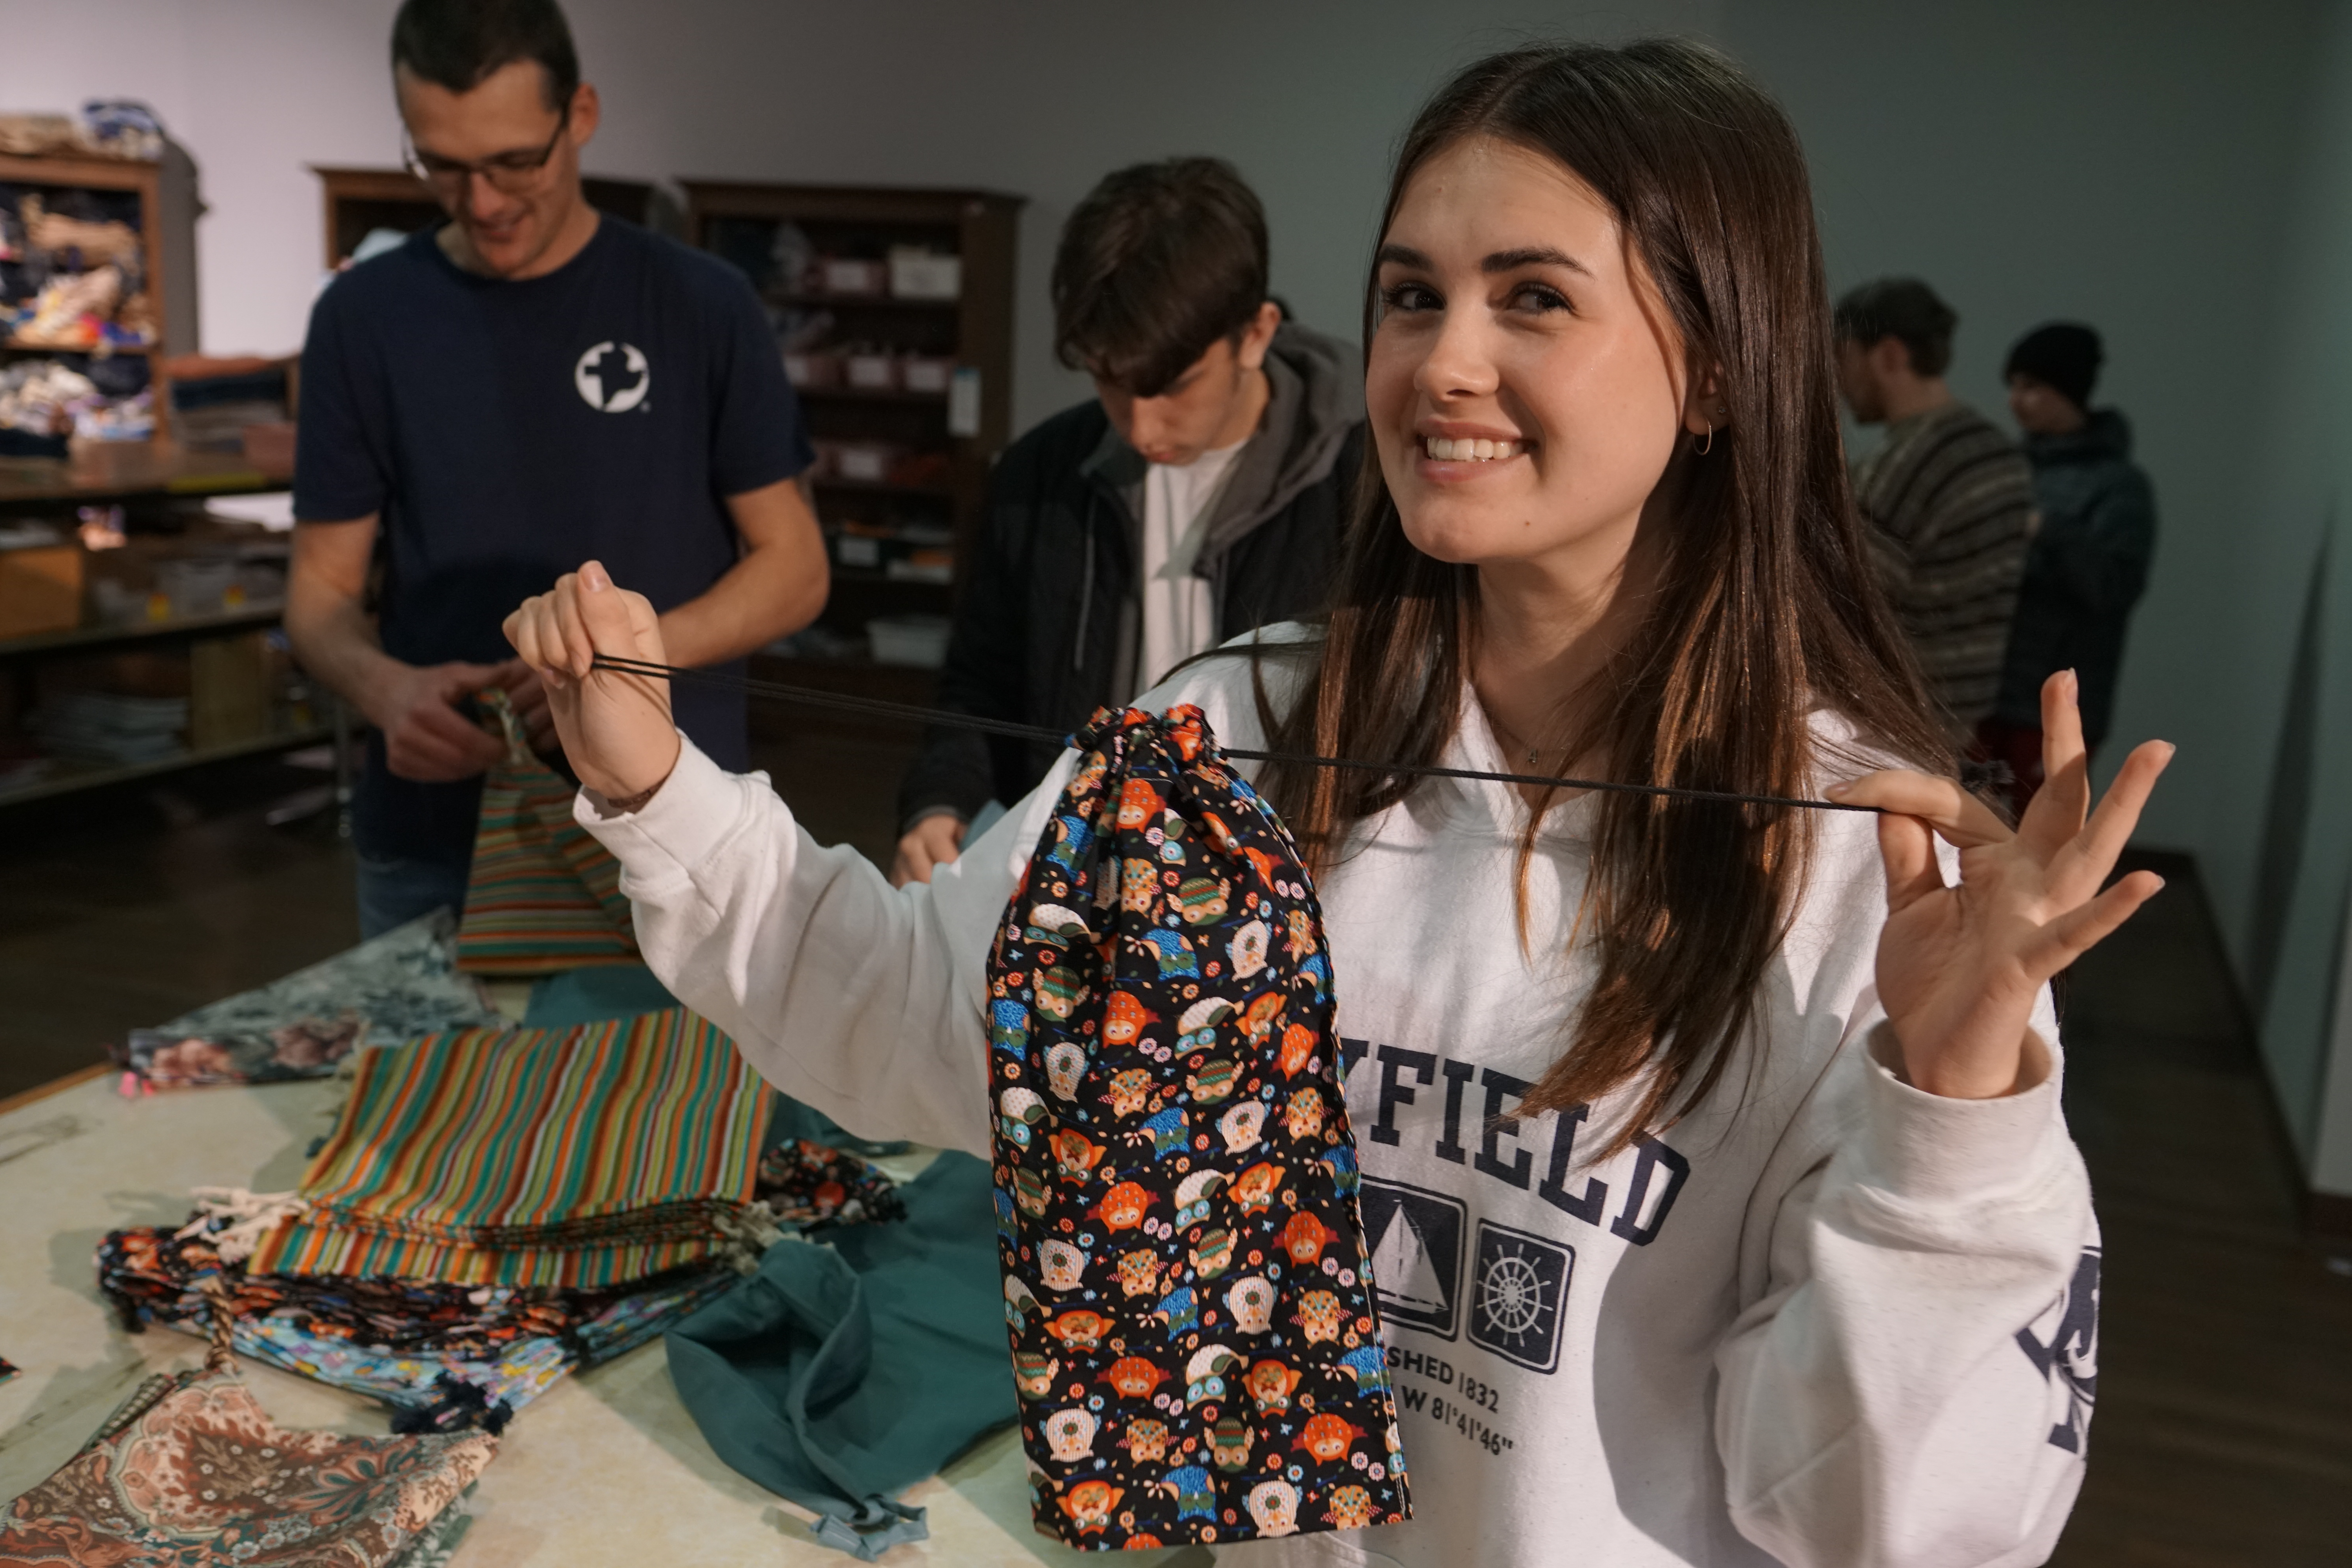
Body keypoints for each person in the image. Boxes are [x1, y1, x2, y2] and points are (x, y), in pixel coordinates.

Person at [507, 39, 2173, 1568]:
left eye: (1532, 297)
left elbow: (1888, 1523)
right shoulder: (1226, 731)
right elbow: (904, 1010)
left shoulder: (1859, 868)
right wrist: (652, 779)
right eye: (1408, 295)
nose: (1445, 363)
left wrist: (1953, 1104)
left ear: (1720, 366)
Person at [287, 0, 826, 936]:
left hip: (670, 834)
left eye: (514, 162)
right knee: (430, 1089)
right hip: (434, 836)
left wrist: (630, 651)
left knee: (675, 1088)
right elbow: (320, 591)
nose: (484, 201)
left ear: (579, 116)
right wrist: (383, 689)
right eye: (442, 167)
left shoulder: (701, 303)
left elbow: (795, 567)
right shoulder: (362, 316)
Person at [889, 158, 1362, 886]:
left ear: (1257, 333)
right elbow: (980, 686)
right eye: (1112, 384)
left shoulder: (1365, 480)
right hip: (1079, 892)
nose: (1142, 426)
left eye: (1174, 387)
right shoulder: (1038, 476)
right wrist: (939, 803)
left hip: (1282, 902)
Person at [1834, 277, 2037, 733]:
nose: (1839, 381)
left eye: (1842, 356)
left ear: (1890, 354)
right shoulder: (1999, 451)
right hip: (1960, 721)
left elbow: (1846, 596)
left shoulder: (1908, 463)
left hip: (1899, 725)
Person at [1984, 322, 2158, 811]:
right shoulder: (2007, 466)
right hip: (1981, 691)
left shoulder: (2119, 486)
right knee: (1961, 839)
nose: (2017, 401)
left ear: (2068, 391)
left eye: (2032, 387)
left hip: (2056, 707)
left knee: (2033, 849)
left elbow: (2115, 586)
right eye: (2013, 386)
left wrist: (2048, 530)